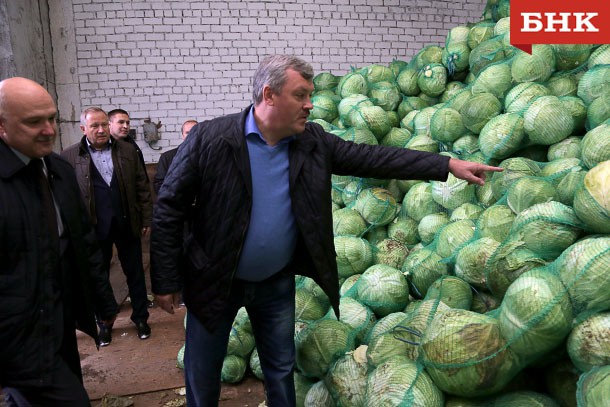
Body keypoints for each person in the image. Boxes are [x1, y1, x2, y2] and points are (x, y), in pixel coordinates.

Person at [150, 55, 503, 406]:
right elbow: (168, 207)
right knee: (203, 369)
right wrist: (165, 279)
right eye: (301, 95)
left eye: (311, 95)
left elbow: (373, 158)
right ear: (269, 95)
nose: (310, 104)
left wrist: (447, 165)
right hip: (216, 280)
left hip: (275, 281)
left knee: (280, 367)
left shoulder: (311, 142)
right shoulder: (211, 139)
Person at [0, 77, 118, 405]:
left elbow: (83, 242)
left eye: (52, 118)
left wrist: (103, 301)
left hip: (60, 318)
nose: (49, 129)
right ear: (2, 126)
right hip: (19, 335)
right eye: (34, 122)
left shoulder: (59, 171)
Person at [61, 107, 153, 345]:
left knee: (135, 273)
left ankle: (141, 318)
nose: (101, 130)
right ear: (83, 129)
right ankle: (104, 322)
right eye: (95, 126)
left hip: (126, 222)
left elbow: (142, 186)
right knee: (97, 277)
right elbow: (66, 197)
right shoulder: (70, 157)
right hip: (93, 229)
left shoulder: (128, 151)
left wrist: (146, 218)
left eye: (104, 125)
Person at [153, 119, 197, 195]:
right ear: (183, 135)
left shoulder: (210, 156)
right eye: (187, 133)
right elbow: (159, 185)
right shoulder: (167, 157)